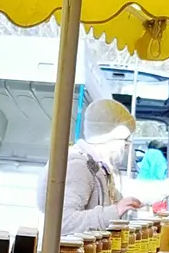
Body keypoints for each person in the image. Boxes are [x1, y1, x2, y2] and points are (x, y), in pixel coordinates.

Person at [37, 97, 139, 236]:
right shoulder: (78, 167)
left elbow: (119, 201)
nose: (126, 147)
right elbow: (61, 222)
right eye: (125, 140)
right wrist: (114, 211)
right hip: (69, 250)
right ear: (107, 137)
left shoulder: (98, 168)